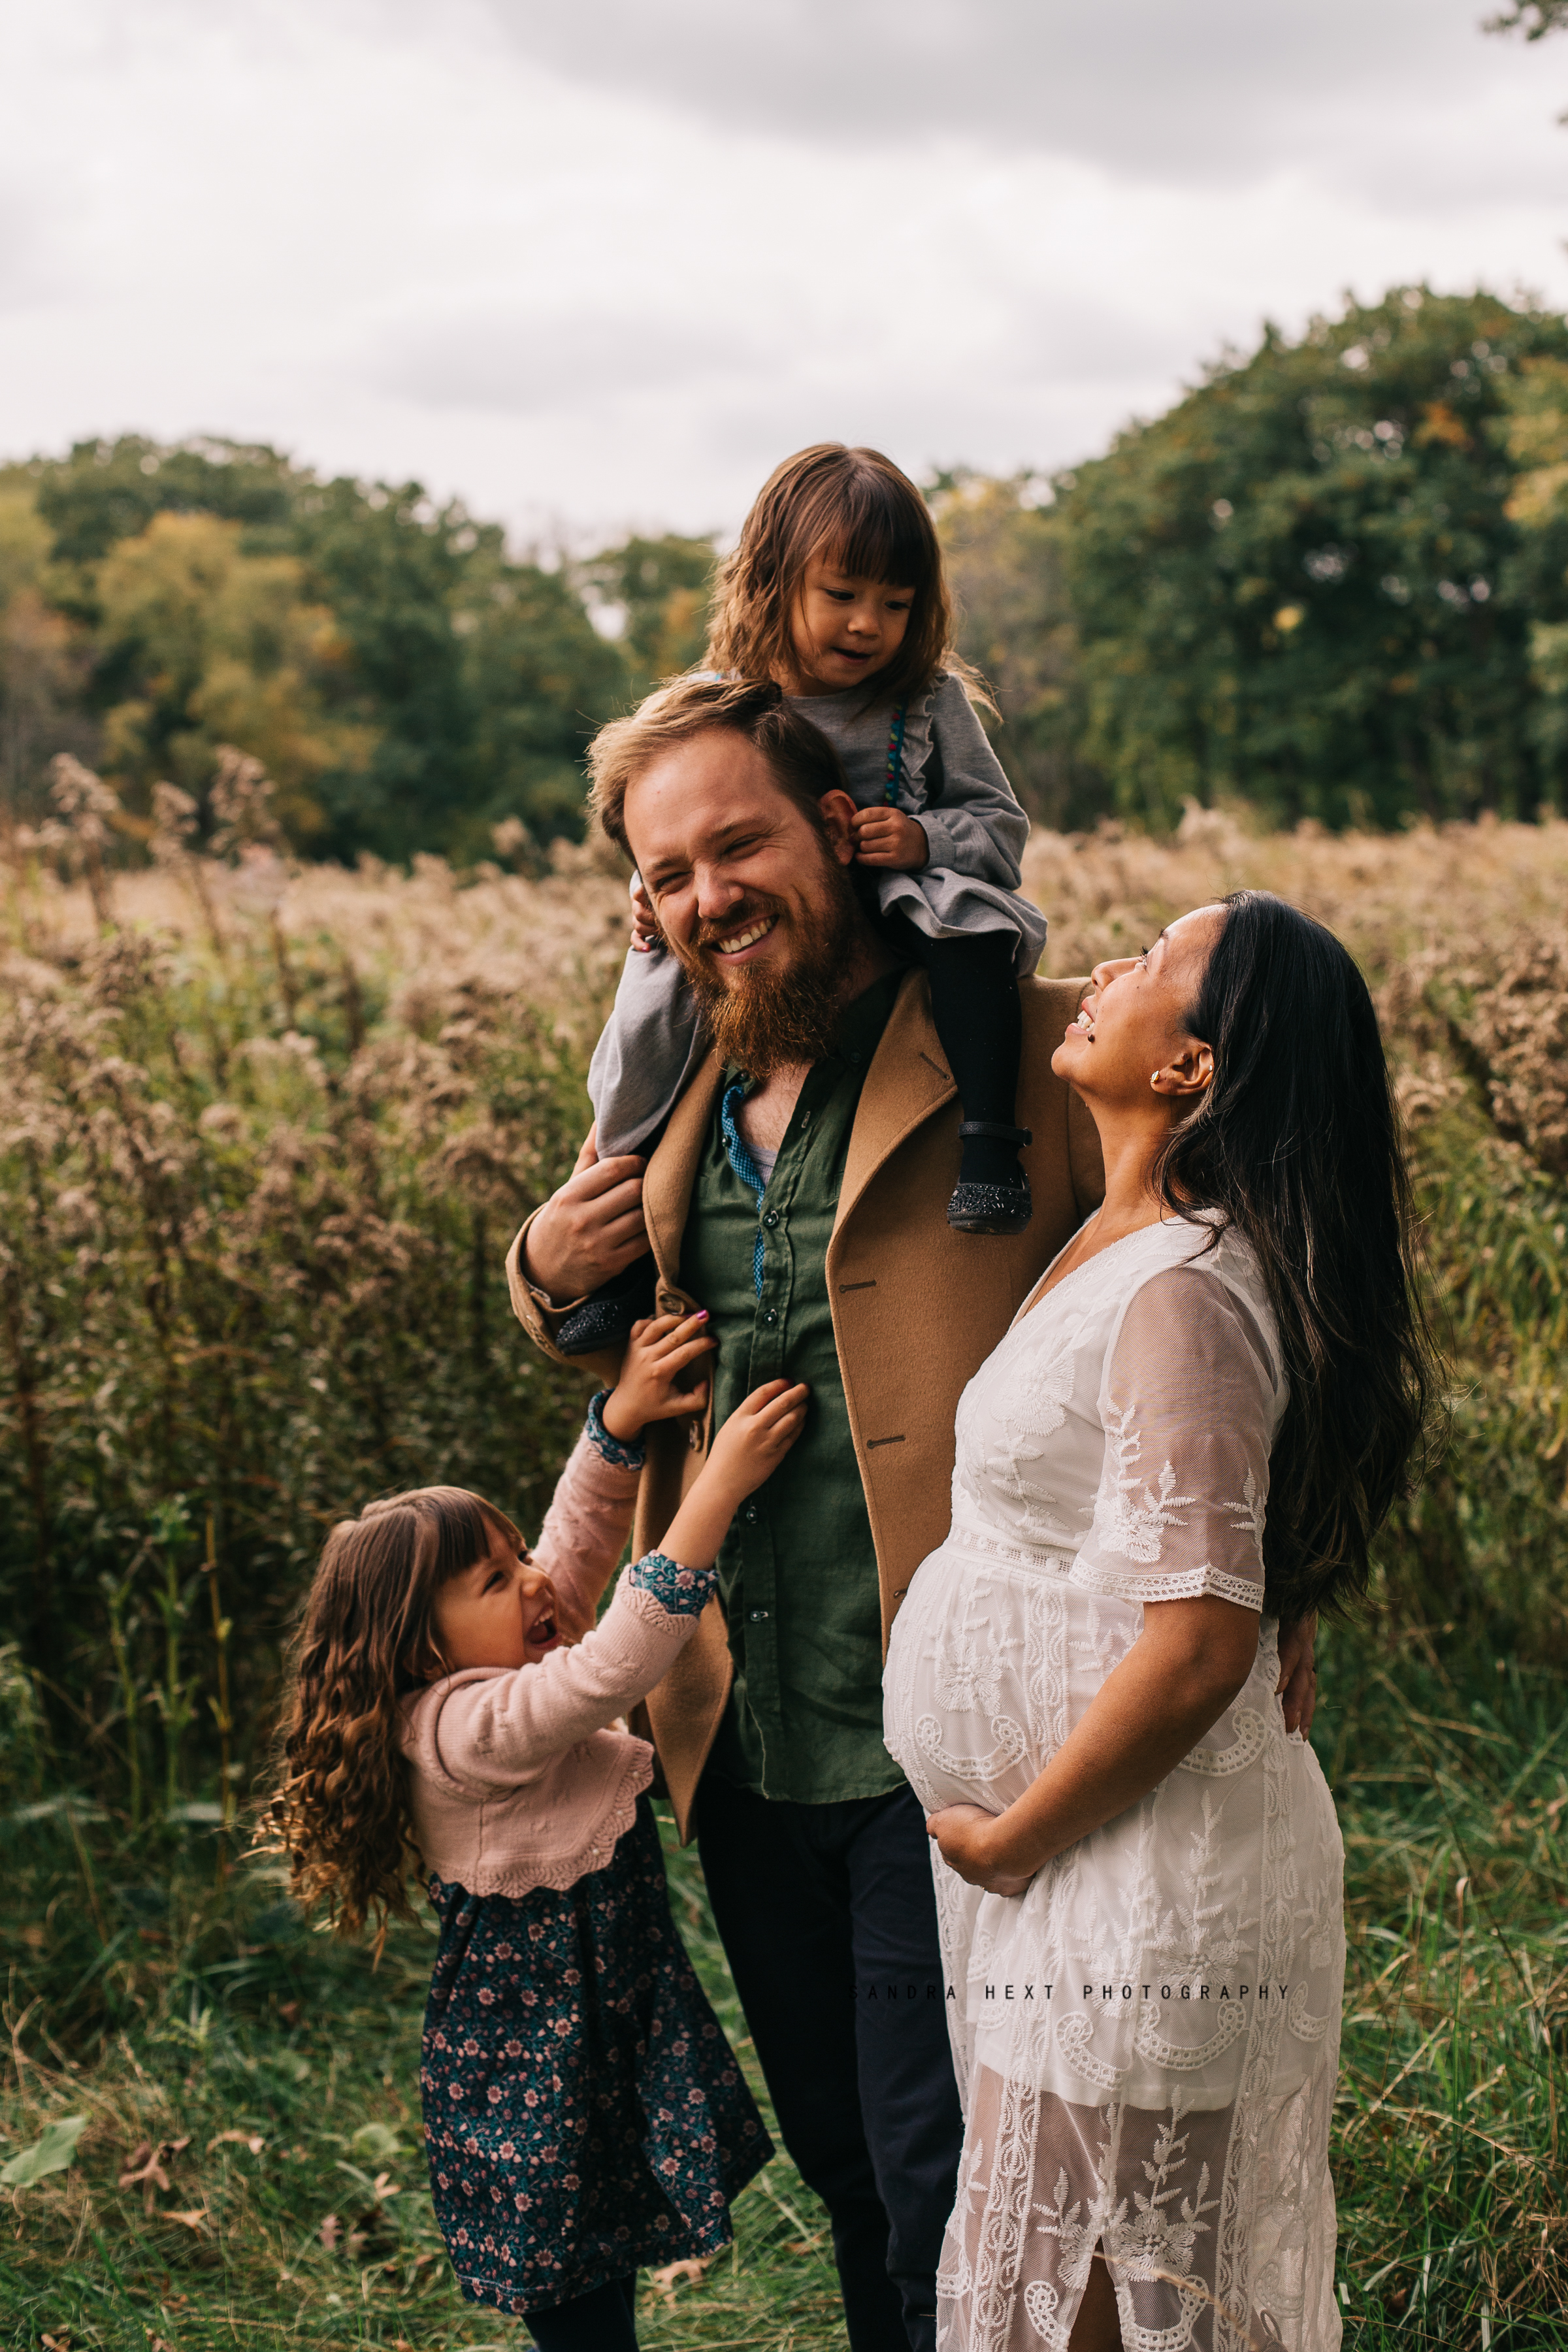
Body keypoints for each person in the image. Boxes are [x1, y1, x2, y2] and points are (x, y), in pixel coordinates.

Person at [505, 679, 1320, 2352]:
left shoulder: (1026, 1046)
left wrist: (1287, 1584)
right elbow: (603, 1314)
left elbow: (1244, 1300)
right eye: (667, 875)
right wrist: (538, 1265)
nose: (707, 895)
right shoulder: (678, 1084)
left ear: (842, 825)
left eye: (739, 843)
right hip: (731, 1722)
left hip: (946, 1741)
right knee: (845, 2168)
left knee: (942, 2171)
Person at [883, 894, 1437, 2352]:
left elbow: (1196, 1640)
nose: (1109, 967)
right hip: (1086, 1872)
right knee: (1079, 2303)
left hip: (1133, 1882)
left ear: (1196, 1064)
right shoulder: (1118, 1241)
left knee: (1096, 2318)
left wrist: (1013, 1838)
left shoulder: (1185, 1286)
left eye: (1155, 959)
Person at [268, 1307, 810, 2351]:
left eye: (511, 1557)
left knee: (598, 2245)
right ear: (420, 1648)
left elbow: (574, 1545)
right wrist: (715, 1489)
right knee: (569, 2285)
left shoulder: (493, 1658)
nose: (532, 1583)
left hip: (600, 2011)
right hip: (532, 2043)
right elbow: (616, 1663)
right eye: (492, 1581)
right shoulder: (463, 1728)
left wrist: (617, 1424)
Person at [563, 442, 1049, 1358]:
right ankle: (619, 1242)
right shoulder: (721, 701)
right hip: (756, 926)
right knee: (647, 1032)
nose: (868, 625)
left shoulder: (925, 700)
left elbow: (1000, 827)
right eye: (843, 595)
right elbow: (668, 821)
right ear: (773, 581)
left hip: (891, 887)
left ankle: (990, 1143)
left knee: (967, 927)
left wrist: (926, 838)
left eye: (895, 604)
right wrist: (647, 889)